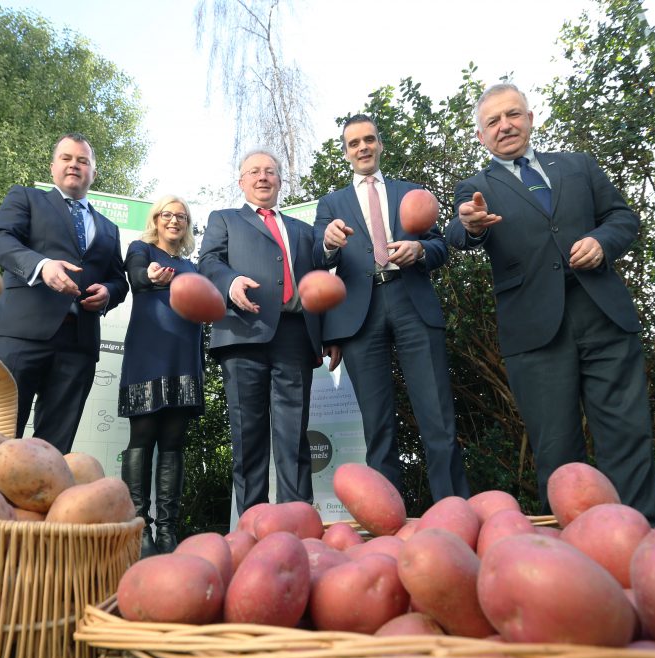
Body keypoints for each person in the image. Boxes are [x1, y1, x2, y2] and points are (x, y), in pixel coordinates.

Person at [445, 83, 655, 524]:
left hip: (604, 316)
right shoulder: (474, 187)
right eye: (493, 121)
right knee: (557, 448)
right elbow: (458, 234)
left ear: (531, 118)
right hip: (534, 333)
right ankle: (569, 553)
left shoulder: (578, 166)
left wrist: (602, 242)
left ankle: (645, 542)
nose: (504, 125)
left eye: (513, 115)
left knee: (627, 435)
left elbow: (622, 217)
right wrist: (470, 225)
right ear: (480, 136)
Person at [313, 114, 470, 501]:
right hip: (359, 317)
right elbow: (317, 261)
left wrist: (420, 249)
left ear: (380, 144)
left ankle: (453, 511)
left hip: (411, 301)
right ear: (346, 152)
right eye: (354, 143)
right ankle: (388, 523)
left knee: (437, 417)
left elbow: (440, 246)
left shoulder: (411, 192)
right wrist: (329, 243)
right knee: (377, 425)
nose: (363, 147)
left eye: (369, 139)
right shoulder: (331, 204)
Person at [0, 133, 129, 454]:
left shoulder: (108, 229)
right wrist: (42, 266)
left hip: (78, 347)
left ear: (93, 173)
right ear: (53, 167)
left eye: (83, 160)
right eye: (67, 158)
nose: (74, 165)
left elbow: (119, 280)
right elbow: (0, 240)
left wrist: (108, 292)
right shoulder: (27, 198)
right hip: (19, 337)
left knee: (51, 455)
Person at [198, 149, 322, 516]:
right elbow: (207, 261)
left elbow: (319, 278)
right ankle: (253, 524)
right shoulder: (223, 220)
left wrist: (328, 336)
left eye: (270, 171)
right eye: (254, 172)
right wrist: (230, 281)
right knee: (247, 436)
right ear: (242, 182)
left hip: (295, 335)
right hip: (242, 333)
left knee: (293, 436)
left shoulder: (303, 230)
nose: (262, 177)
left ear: (281, 181)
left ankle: (296, 520)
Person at [118, 195, 203, 555]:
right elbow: (136, 276)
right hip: (148, 355)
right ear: (156, 219)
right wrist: (148, 276)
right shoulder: (141, 250)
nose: (174, 221)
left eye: (181, 216)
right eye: (168, 215)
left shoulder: (192, 266)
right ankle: (140, 530)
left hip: (184, 358)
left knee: (173, 442)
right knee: (143, 437)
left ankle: (168, 531)